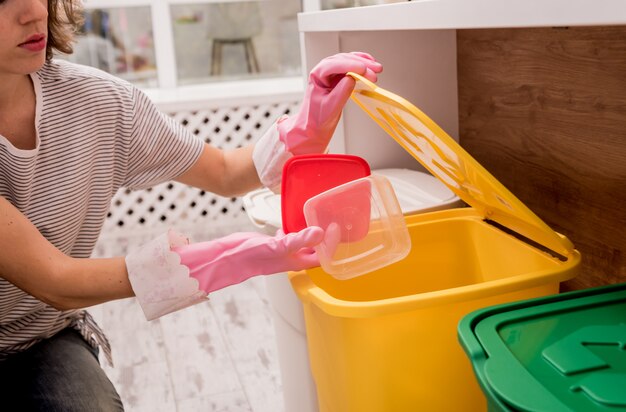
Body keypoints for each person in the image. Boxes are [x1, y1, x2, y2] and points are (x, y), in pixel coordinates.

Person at [0, 0, 383, 410]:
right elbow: (56, 282)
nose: (31, 12)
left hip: (38, 337)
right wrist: (223, 260)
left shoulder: (97, 102)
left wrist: (307, 125)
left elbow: (224, 171)